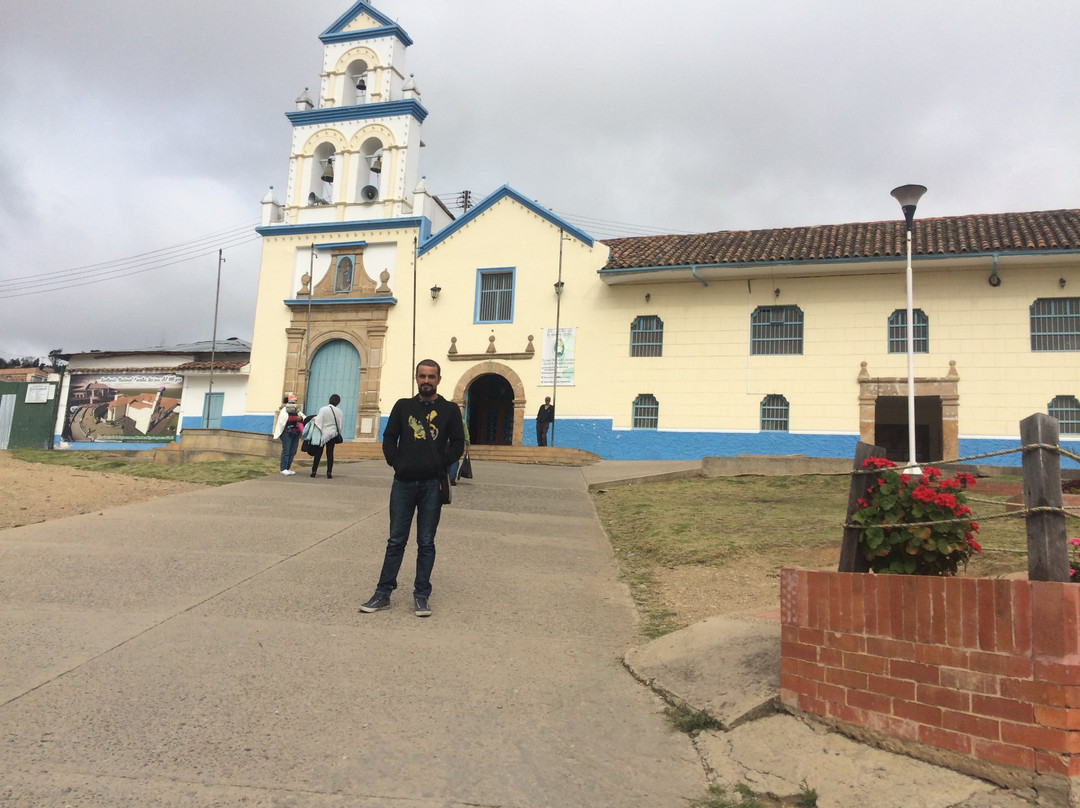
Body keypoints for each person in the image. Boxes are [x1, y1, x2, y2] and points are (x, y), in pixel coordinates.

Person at [359, 359, 464, 617]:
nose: (426, 380)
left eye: (431, 376)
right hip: (403, 484)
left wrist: (440, 464)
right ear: (416, 378)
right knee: (396, 541)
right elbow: (389, 437)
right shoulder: (403, 406)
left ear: (439, 379)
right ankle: (383, 593)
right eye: (422, 376)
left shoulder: (450, 409)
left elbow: (457, 444)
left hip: (432, 485)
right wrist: (396, 463)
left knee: (426, 542)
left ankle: (421, 595)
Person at [309, 394, 344, 479]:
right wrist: (338, 432)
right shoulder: (339, 411)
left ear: (330, 400)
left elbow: (318, 421)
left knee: (318, 453)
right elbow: (340, 424)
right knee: (330, 453)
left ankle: (314, 471)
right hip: (332, 434)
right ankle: (329, 472)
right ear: (338, 402)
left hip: (323, 433)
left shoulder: (323, 409)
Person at [272, 393, 305, 475]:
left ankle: (288, 467)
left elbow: (303, 417)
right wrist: (294, 418)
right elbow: (284, 420)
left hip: (295, 432)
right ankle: (283, 468)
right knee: (286, 450)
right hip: (287, 432)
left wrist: (300, 418)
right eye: (295, 400)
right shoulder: (284, 410)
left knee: (293, 451)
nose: (296, 401)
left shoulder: (297, 411)